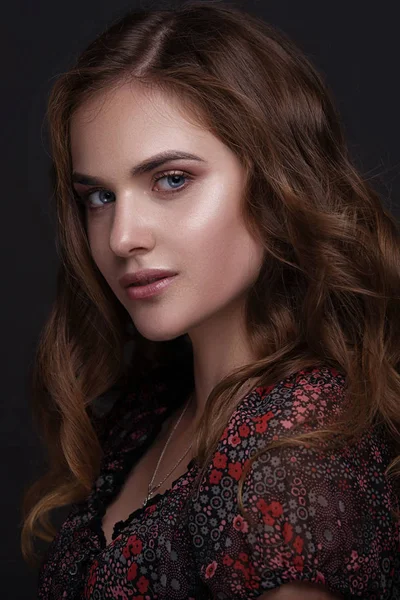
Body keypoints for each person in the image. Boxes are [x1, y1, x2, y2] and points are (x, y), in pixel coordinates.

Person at [21, 1, 400, 598]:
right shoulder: (151, 413)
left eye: (171, 180)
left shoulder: (293, 458)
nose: (122, 237)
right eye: (98, 197)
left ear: (277, 183)